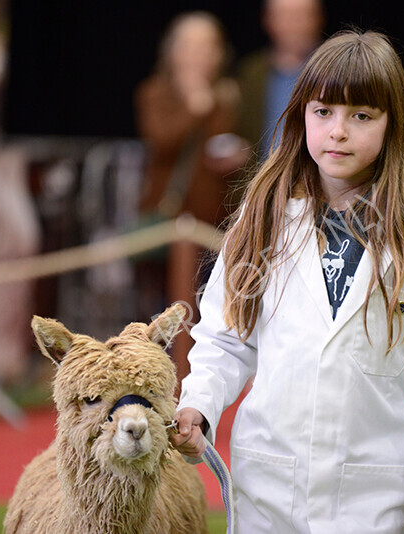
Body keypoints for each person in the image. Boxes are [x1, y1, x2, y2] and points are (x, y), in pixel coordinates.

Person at [172, 30, 404, 534]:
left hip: (378, 499)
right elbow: (226, 341)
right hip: (266, 490)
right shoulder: (262, 217)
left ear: (393, 125)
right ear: (301, 116)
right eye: (323, 111)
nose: (338, 131)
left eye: (361, 115)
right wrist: (198, 406)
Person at [134, 11, 246, 387]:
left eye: (207, 46)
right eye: (190, 45)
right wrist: (195, 108)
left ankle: (202, 380)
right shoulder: (154, 92)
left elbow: (228, 145)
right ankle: (165, 379)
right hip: (165, 225)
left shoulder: (230, 95)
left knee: (210, 310)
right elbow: (161, 141)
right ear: (172, 52)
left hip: (214, 226)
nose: (199, 55)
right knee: (163, 310)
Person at [235, 0, 324, 159]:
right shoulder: (252, 72)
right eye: (284, 15)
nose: (293, 25)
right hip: (263, 175)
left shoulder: (334, 70)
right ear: (268, 20)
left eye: (300, 16)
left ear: (318, 19)